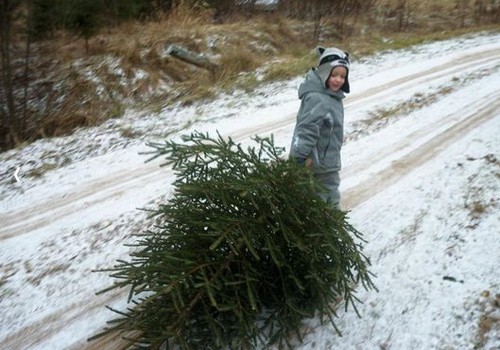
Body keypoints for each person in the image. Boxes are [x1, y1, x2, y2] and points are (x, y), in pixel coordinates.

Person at [289, 46, 350, 210]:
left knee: (314, 199)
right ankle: (332, 231)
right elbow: (307, 130)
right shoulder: (320, 99)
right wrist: (299, 158)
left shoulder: (329, 96)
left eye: (343, 76)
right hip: (320, 164)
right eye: (334, 74)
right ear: (324, 72)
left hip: (322, 161)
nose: (338, 80)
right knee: (329, 201)